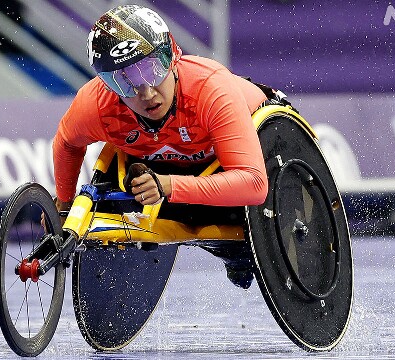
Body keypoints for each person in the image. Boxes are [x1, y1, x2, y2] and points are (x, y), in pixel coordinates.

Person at [52, 4, 269, 289]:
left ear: (172, 56)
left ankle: (237, 252)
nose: (146, 93)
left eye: (151, 70)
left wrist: (167, 185)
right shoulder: (95, 104)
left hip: (246, 156)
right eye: (125, 82)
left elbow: (255, 184)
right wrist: (64, 203)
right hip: (168, 172)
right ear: (107, 85)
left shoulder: (211, 89)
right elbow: (67, 143)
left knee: (236, 226)